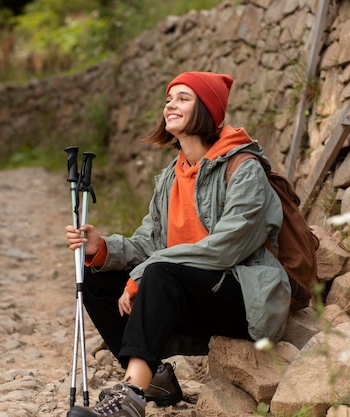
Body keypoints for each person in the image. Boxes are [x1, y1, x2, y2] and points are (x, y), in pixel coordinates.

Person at [65, 71, 290, 417]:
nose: (171, 104)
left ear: (207, 111)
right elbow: (150, 242)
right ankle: (153, 378)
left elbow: (228, 247)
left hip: (243, 296)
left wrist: (145, 271)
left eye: (183, 98)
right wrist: (102, 248)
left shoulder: (244, 169)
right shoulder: (172, 176)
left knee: (158, 272)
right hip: (187, 294)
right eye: (169, 99)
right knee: (96, 274)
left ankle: (131, 399)